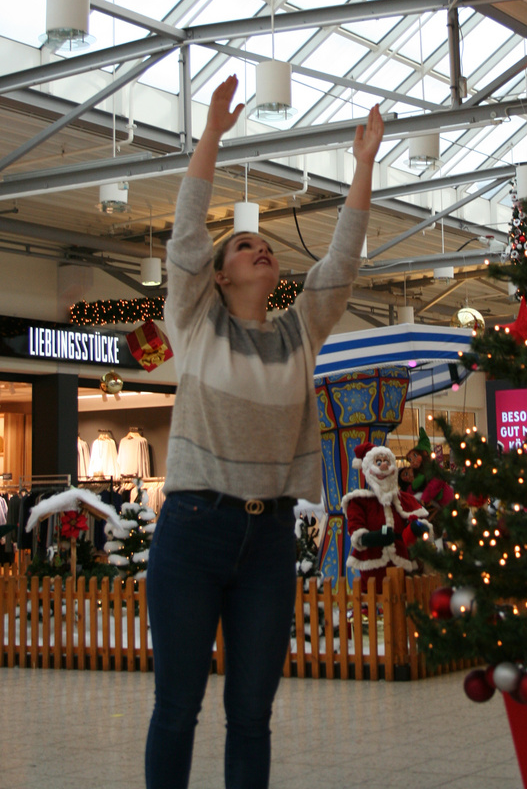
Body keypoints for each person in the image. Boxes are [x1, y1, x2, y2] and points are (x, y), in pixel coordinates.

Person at [145, 74, 384, 789]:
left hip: (271, 543)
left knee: (252, 715)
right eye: (243, 245)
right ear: (216, 277)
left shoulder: (299, 333)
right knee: (177, 708)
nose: (259, 249)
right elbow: (187, 238)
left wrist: (364, 166)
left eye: (263, 244)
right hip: (193, 530)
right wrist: (211, 135)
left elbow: (339, 265)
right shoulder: (193, 322)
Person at [342, 442, 431, 593]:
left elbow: (418, 521)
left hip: (400, 561)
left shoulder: (403, 499)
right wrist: (372, 538)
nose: (383, 465)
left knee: (400, 597)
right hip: (372, 561)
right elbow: (356, 528)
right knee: (372, 595)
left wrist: (417, 529)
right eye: (378, 462)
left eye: (387, 461)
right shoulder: (360, 501)